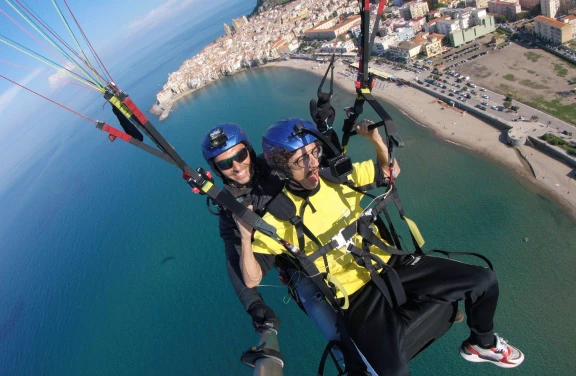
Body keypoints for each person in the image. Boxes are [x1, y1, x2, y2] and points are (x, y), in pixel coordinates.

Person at [234, 117, 525, 375]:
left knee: (482, 280)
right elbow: (251, 278)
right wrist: (245, 237)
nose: (312, 164)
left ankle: (481, 343)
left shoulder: (337, 177)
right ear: (283, 168)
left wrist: (374, 140)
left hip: (391, 263)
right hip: (354, 295)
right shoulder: (278, 216)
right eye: (300, 160)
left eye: (314, 152)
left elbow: (390, 172)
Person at [201, 123, 374, 376]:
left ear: (249, 151)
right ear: (216, 170)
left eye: (240, 156)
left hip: (332, 235)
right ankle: (356, 365)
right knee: (328, 319)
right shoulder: (230, 211)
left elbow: (315, 167)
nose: (237, 167)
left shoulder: (277, 165)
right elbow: (235, 260)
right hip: (297, 264)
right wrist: (257, 310)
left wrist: (328, 136)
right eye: (226, 163)